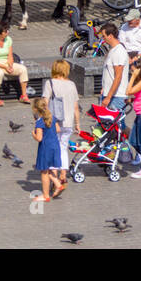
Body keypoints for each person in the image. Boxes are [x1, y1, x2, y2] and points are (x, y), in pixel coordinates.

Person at [41, 58, 79, 188]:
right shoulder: (72, 85)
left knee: (53, 149)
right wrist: (78, 124)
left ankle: (54, 177)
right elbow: (76, 107)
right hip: (68, 122)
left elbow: (44, 103)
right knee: (63, 148)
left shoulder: (50, 83)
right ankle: (63, 175)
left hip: (54, 122)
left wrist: (43, 118)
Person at [31, 97, 63, 202]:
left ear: (36, 109)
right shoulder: (51, 117)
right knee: (49, 168)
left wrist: (34, 135)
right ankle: (57, 184)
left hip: (45, 148)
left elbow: (39, 138)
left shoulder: (40, 121)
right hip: (55, 145)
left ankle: (45, 195)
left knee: (44, 171)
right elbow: (58, 129)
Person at [99, 22, 129, 113]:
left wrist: (108, 97)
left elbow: (118, 76)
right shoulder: (113, 50)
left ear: (110, 36)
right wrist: (104, 88)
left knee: (113, 125)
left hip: (116, 96)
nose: (103, 39)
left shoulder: (119, 52)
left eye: (104, 36)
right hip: (110, 94)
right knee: (114, 125)